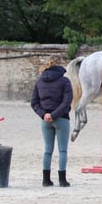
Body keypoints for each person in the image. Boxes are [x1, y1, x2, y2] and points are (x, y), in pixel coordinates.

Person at [31, 58, 73, 187]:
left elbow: (34, 102)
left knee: (47, 150)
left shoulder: (39, 82)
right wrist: (54, 115)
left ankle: (46, 180)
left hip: (45, 119)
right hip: (61, 118)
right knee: (62, 150)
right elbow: (66, 102)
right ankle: (62, 180)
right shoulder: (64, 81)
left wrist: (44, 114)